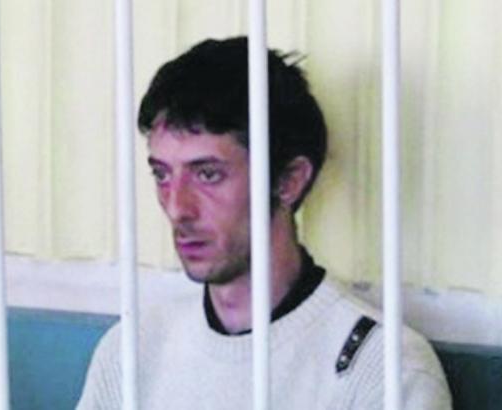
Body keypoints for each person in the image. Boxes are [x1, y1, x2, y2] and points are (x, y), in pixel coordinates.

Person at [77, 36, 451, 409]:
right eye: (162, 174)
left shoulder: (382, 370)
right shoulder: (132, 351)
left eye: (207, 174)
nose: (177, 208)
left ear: (288, 181)